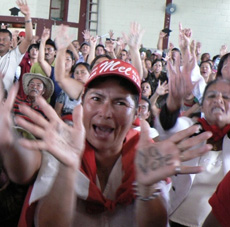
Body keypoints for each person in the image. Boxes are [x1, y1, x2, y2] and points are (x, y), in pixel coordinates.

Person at [0, 58, 211, 226]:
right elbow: (25, 172)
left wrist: (147, 188)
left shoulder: (148, 156)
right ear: (81, 104)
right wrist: (9, 141)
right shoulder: (62, 142)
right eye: (96, 99)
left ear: (137, 113)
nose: (105, 112)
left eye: (120, 102)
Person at [156, 39, 230, 226]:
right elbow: (168, 128)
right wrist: (173, 103)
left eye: (226, 97)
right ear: (202, 104)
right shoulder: (192, 127)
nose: (219, 101)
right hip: (175, 217)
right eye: (212, 96)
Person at [0, 0, 33, 91]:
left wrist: (27, 16)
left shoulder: (15, 55)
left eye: (4, 40)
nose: (1, 42)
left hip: (5, 100)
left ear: (11, 42)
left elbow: (28, 38)